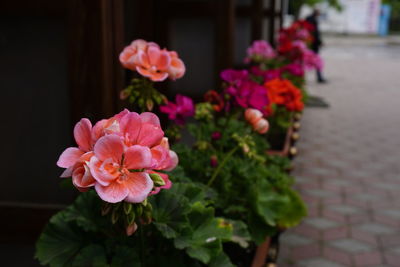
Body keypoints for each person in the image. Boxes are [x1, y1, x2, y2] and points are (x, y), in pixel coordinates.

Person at [306, 9, 327, 83]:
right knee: (316, 60)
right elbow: (315, 33)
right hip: (313, 44)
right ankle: (319, 77)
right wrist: (319, 42)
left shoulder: (310, 19)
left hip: (311, 43)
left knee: (312, 60)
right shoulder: (312, 20)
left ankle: (319, 77)